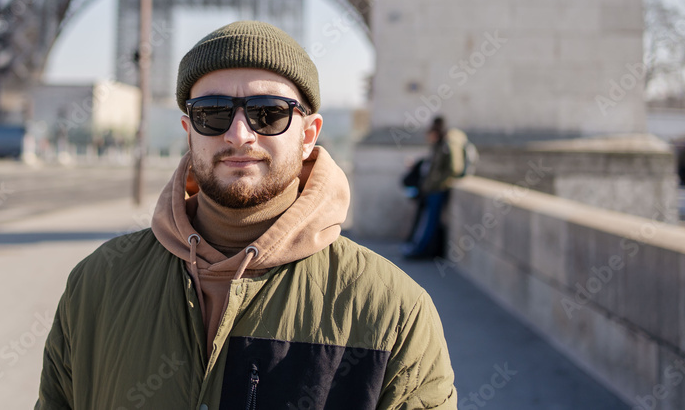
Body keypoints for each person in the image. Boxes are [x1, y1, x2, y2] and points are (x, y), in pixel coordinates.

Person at [36, 21, 456, 409]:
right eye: (213, 113)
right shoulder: (93, 285)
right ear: (189, 132)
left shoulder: (396, 313)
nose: (239, 134)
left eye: (269, 113)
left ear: (308, 135)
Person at [402, 117, 468, 259]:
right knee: (428, 221)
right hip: (434, 189)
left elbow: (455, 168)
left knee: (431, 222)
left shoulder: (448, 144)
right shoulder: (440, 144)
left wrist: (437, 183)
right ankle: (421, 248)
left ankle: (423, 251)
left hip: (438, 189)